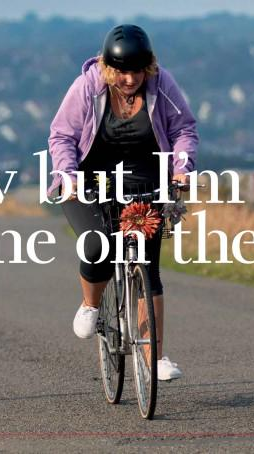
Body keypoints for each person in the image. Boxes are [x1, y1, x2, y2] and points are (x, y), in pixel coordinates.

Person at [47, 24, 198, 381]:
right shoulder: (87, 86)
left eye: (137, 71)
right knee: (98, 245)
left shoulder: (162, 85)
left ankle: (155, 357)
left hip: (145, 177)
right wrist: (67, 175)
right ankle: (91, 305)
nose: (130, 79)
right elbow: (62, 135)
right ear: (108, 68)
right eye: (122, 72)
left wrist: (181, 168)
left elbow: (184, 130)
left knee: (148, 267)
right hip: (88, 179)